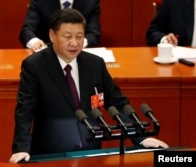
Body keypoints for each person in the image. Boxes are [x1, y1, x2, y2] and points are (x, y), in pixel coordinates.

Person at [9, 8, 169, 164]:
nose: (74, 42)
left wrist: (141, 137)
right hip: (52, 154)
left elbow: (117, 103)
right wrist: (21, 148)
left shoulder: (94, 64)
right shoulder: (35, 65)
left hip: (92, 153)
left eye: (79, 36)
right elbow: (25, 111)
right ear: (52, 35)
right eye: (67, 36)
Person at [19, 0, 100, 52]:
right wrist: (35, 42)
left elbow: (94, 34)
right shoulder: (40, 1)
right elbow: (27, 30)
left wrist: (79, 42)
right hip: (46, 53)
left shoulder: (90, 2)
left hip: (77, 56)